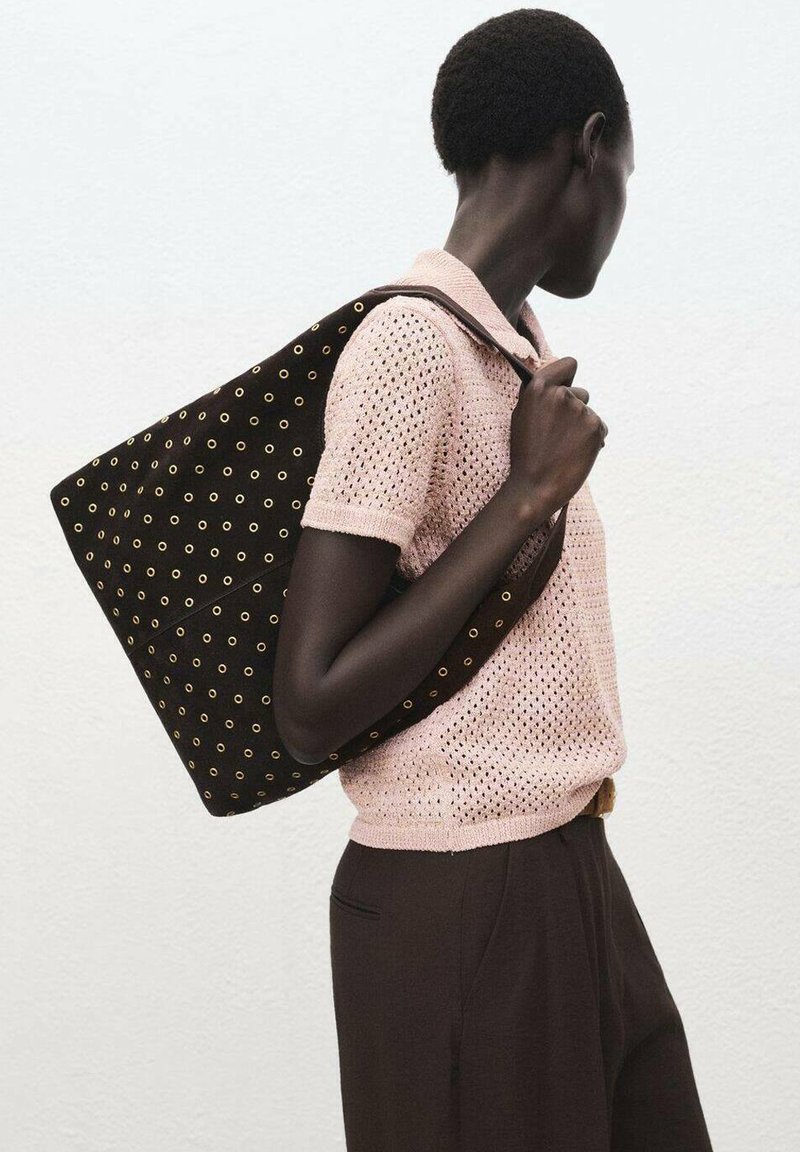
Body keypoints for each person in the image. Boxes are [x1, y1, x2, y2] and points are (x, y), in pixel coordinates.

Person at [274, 8, 714, 1150]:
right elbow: (309, 703)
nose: (623, 201)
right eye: (627, 170)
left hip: (569, 867)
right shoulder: (409, 345)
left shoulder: (510, 347)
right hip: (461, 899)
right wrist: (525, 497)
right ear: (590, 145)